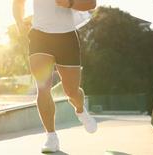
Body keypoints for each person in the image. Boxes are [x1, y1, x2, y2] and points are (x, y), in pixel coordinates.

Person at [13, 0, 97, 153]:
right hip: (39, 36)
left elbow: (91, 3)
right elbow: (18, 3)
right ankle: (51, 137)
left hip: (67, 38)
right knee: (43, 88)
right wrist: (19, 22)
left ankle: (80, 109)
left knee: (71, 91)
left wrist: (69, 3)